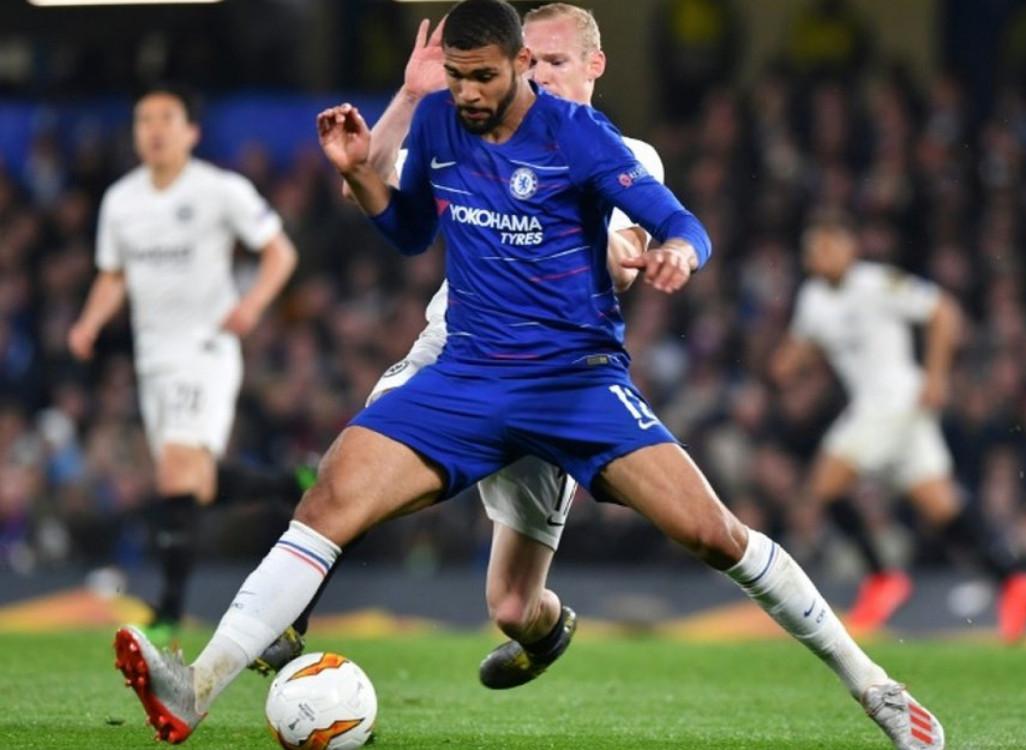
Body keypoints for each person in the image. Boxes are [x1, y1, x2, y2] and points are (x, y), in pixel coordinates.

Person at [112, 3, 944, 749]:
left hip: (574, 384)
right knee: (330, 495)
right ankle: (200, 684)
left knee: (710, 536)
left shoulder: (587, 139)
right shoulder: (442, 120)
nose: (478, 91)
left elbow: (668, 220)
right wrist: (362, 170)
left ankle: (874, 687)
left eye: (511, 71)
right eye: (464, 76)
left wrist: (678, 252)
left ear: (540, 67)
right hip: (464, 371)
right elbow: (406, 233)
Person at [256, 4, 666, 687]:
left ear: (595, 66)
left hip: (553, 371)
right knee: (351, 474)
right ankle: (288, 615)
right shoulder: (471, 128)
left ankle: (546, 627)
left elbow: (628, 250)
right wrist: (412, 96)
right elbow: (367, 184)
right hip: (457, 348)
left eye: (558, 62)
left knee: (509, 604)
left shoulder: (618, 151)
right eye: (531, 61)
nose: (541, 75)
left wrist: (622, 251)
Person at [67, 84, 307, 644]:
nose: (153, 128)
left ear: (191, 132)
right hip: (154, 359)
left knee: (176, 471)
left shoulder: (220, 190)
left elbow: (280, 252)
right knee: (193, 485)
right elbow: (114, 274)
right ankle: (290, 482)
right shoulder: (121, 201)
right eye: (143, 118)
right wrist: (88, 322)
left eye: (166, 118)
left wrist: (249, 307)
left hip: (204, 350)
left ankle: (170, 611)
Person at [769, 211, 1026, 642]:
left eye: (825, 246)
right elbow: (800, 347)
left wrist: (936, 375)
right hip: (883, 408)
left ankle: (882, 579)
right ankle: (1013, 578)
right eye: (811, 249)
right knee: (941, 507)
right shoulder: (813, 297)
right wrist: (784, 364)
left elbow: (944, 312)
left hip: (894, 397)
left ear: (849, 247)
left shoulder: (876, 283)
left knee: (823, 487)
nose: (817, 256)